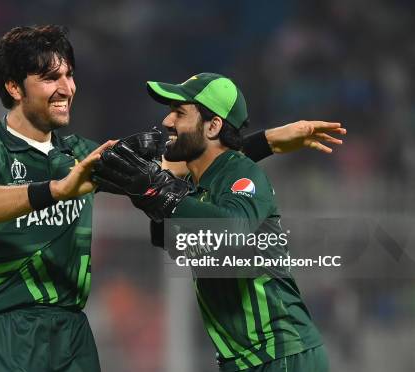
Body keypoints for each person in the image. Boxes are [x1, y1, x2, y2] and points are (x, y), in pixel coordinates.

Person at [0, 25, 343, 372]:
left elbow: (189, 168)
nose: (66, 88)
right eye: (50, 78)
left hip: (69, 329)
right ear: (14, 87)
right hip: (0, 324)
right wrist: (56, 190)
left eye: (69, 75)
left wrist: (266, 141)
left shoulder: (81, 154)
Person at [93, 73, 330, 371]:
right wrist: (150, 193)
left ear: (213, 125)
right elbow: (170, 241)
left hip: (280, 354)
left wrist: (162, 192)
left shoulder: (242, 174)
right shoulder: (196, 185)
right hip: (244, 360)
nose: (167, 122)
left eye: (179, 113)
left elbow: (232, 230)